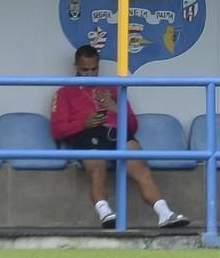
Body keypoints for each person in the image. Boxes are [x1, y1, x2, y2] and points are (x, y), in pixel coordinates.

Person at [50, 45, 190, 229]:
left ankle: (165, 213)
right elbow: (58, 130)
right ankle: (105, 212)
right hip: (88, 134)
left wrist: (114, 108)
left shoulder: (113, 90)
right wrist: (85, 124)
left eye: (94, 69)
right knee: (97, 169)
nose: (90, 75)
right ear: (76, 65)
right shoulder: (65, 93)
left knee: (141, 169)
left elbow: (133, 124)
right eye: (85, 70)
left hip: (116, 133)